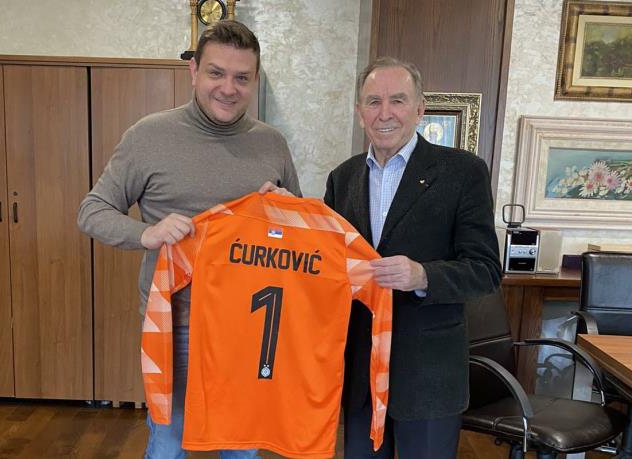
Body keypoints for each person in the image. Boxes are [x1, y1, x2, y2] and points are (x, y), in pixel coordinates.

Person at [77, 20, 301, 459]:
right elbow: (92, 211)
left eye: (242, 78)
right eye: (216, 73)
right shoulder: (148, 136)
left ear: (255, 80)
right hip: (174, 326)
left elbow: (293, 236)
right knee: (168, 444)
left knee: (241, 448)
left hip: (250, 329)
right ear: (194, 71)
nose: (228, 88)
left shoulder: (272, 144)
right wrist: (147, 233)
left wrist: (288, 212)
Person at [324, 57, 501, 458]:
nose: (384, 113)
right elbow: (327, 261)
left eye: (398, 100)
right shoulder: (342, 178)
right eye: (373, 101)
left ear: (420, 109)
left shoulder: (464, 172)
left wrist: (423, 276)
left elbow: (486, 270)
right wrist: (283, 212)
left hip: (428, 376)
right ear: (360, 112)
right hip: (360, 375)